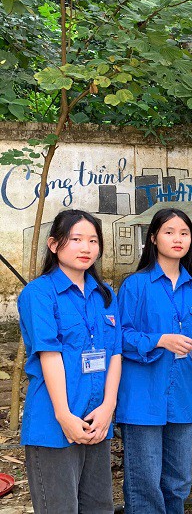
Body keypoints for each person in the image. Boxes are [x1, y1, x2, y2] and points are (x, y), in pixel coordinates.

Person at [116, 208, 192, 514]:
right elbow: (120, 337)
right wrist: (159, 340)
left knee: (177, 482)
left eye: (184, 233)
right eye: (169, 232)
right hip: (143, 398)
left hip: (181, 397)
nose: (178, 239)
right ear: (153, 238)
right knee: (145, 484)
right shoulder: (135, 286)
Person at [17, 209, 122, 513]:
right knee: (60, 508)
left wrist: (108, 407)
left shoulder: (105, 294)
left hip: (96, 420)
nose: (86, 247)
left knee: (99, 507)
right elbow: (49, 355)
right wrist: (64, 416)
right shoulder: (39, 293)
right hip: (54, 425)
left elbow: (115, 353)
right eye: (76, 239)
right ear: (54, 244)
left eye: (93, 240)